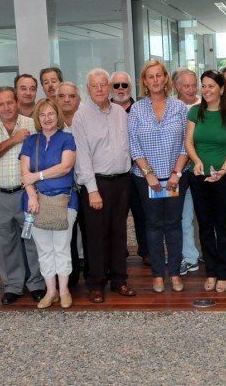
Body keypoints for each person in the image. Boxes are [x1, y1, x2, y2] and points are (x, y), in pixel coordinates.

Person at [73, 68, 135, 303]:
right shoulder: (81, 117)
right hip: (97, 183)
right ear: (88, 89)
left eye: (103, 85)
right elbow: (82, 156)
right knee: (96, 235)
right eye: (94, 86)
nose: (99, 89)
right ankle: (96, 283)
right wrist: (92, 190)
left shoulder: (120, 113)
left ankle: (119, 280)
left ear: (109, 87)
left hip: (123, 181)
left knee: (119, 233)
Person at [0, 86, 45, 305]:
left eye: (10, 102)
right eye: (1, 104)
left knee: (33, 241)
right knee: (6, 243)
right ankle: (13, 286)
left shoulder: (32, 124)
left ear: (17, 103)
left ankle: (36, 283)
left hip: (26, 195)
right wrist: (14, 139)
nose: (6, 107)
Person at [129, 60, 189, 293]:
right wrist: (149, 175)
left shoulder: (179, 107)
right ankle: (157, 274)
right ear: (144, 82)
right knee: (153, 225)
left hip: (175, 177)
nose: (155, 80)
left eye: (158, 75)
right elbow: (133, 144)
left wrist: (176, 173)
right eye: (150, 76)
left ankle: (174, 272)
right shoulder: (137, 109)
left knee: (173, 224)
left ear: (166, 79)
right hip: (146, 179)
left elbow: (186, 143)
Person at [186, 70, 226, 293]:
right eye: (204, 85)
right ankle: (210, 271)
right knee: (205, 226)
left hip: (223, 178)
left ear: (221, 89)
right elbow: (189, 143)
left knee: (222, 225)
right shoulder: (194, 112)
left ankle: (223, 272)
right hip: (198, 177)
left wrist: (222, 171)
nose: (206, 90)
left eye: (211, 86)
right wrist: (197, 161)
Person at [20, 98, 78, 309]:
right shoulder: (30, 141)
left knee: (61, 248)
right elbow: (24, 173)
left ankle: (64, 291)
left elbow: (65, 167)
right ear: (37, 118)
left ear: (58, 116)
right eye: (42, 114)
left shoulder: (67, 139)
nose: (47, 118)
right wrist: (32, 196)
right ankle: (51, 291)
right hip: (35, 203)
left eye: (51, 114)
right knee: (44, 250)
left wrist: (37, 176)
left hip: (64, 202)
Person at [111, 70, 149, 265]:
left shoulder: (141, 109)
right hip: (116, 172)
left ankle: (147, 251)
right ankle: (118, 252)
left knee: (143, 213)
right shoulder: (105, 110)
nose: (120, 89)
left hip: (140, 170)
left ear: (130, 88)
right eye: (116, 85)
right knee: (116, 216)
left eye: (124, 85)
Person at [56, 81, 85, 287]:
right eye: (62, 96)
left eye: (71, 96)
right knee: (67, 235)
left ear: (78, 99)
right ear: (56, 99)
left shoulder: (86, 120)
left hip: (87, 185)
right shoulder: (51, 123)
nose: (67, 100)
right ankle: (70, 278)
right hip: (63, 189)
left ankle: (93, 276)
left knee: (91, 233)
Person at [172, 67, 201, 275]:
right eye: (186, 86)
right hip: (179, 171)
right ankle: (189, 257)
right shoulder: (170, 106)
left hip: (203, 169)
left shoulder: (206, 105)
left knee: (207, 216)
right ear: (176, 87)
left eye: (193, 85)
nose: (191, 90)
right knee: (183, 216)